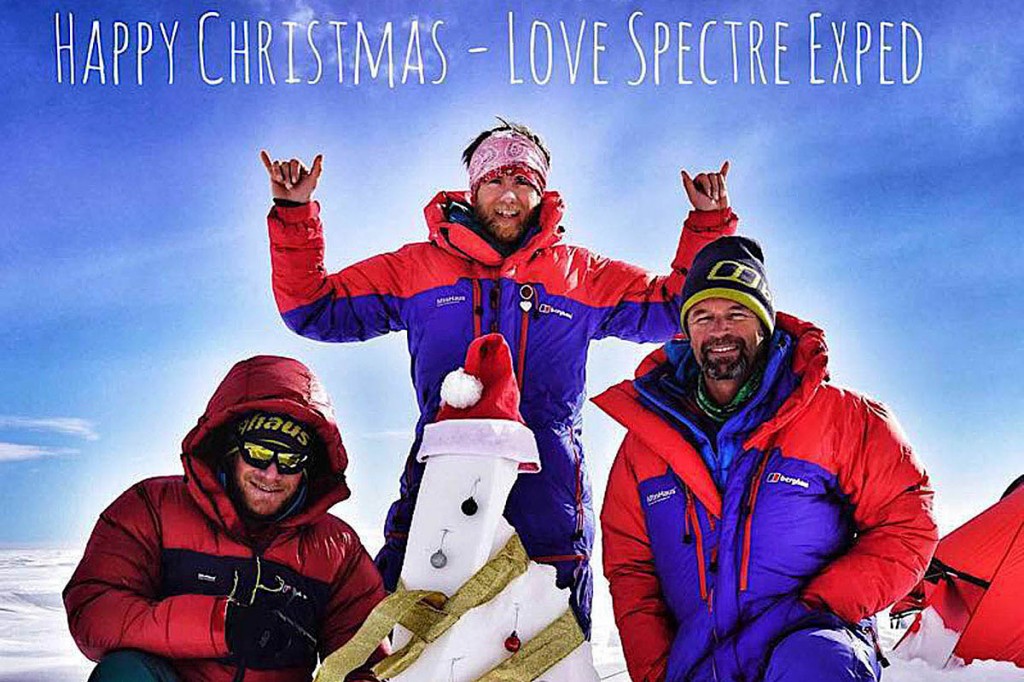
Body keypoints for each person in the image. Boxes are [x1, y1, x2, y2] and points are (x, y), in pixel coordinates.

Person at [260, 119, 737, 635]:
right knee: (403, 645)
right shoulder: (417, 269)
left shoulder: (579, 274)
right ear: (473, 188)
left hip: (548, 494)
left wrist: (707, 226)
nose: (509, 195)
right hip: (438, 488)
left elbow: (674, 306)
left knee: (549, 652)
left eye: (524, 182)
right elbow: (315, 308)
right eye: (495, 180)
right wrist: (294, 216)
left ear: (541, 192)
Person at [595, 236, 939, 681]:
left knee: (816, 665)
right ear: (687, 330)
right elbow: (630, 569)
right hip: (698, 660)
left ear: (765, 324)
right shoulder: (645, 443)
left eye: (736, 314)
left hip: (807, 640)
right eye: (703, 316)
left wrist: (820, 604)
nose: (719, 330)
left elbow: (909, 522)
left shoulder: (840, 416)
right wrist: (656, 673)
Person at [63, 355, 387, 682]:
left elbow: (364, 655)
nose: (272, 473)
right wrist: (221, 626)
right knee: (125, 673)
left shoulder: (338, 548)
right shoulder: (151, 507)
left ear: (307, 468)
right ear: (231, 450)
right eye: (259, 453)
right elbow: (94, 613)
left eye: (290, 459)